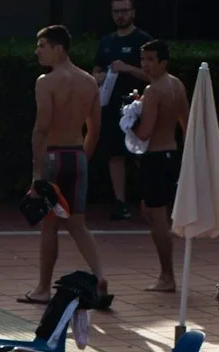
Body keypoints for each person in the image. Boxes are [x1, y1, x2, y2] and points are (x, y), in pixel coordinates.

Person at [25, 26, 108, 304]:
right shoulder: (88, 82)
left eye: (42, 45)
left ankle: (42, 288)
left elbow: (41, 129)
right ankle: (99, 275)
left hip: (53, 157)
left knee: (50, 225)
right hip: (76, 155)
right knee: (78, 224)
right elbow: (95, 129)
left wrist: (38, 173)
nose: (38, 50)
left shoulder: (45, 82)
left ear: (58, 49)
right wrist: (82, 157)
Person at [132, 40, 188, 293]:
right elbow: (186, 123)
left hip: (154, 157)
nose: (145, 64)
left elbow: (144, 133)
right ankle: (167, 273)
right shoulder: (176, 84)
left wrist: (130, 119)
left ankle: (167, 277)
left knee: (157, 218)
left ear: (163, 62)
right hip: (171, 153)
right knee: (153, 212)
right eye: (143, 59)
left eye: (151, 60)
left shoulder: (154, 90)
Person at [92, 0, 152, 222]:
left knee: (140, 154)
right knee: (114, 154)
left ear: (133, 12)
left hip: (137, 106)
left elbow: (152, 75)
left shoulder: (143, 41)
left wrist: (127, 68)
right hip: (111, 106)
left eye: (124, 11)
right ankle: (120, 202)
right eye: (116, 12)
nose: (120, 16)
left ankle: (147, 201)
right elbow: (96, 69)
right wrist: (96, 76)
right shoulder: (106, 42)